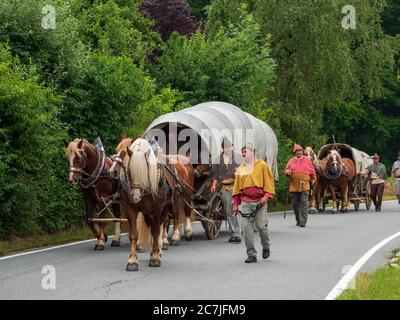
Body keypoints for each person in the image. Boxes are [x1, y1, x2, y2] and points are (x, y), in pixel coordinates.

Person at [232, 143, 275, 263]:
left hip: (260, 201)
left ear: (252, 152)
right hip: (246, 201)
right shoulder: (241, 168)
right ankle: (251, 254)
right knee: (246, 229)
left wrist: (266, 196)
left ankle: (266, 246)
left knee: (261, 227)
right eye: (243, 153)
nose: (244, 154)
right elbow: (237, 188)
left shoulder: (262, 165)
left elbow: (269, 182)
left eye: (245, 152)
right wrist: (236, 204)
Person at [211, 138, 242, 243]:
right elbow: (215, 175)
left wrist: (237, 172)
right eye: (226, 147)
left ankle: (238, 233)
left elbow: (242, 169)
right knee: (228, 211)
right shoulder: (218, 159)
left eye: (229, 147)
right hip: (225, 187)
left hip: (236, 186)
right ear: (223, 148)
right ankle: (233, 232)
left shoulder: (237, 157)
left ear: (232, 147)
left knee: (235, 209)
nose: (228, 149)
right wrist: (214, 185)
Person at [284, 144, 316, 227]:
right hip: (294, 185)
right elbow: (286, 170)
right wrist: (287, 172)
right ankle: (298, 219)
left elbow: (312, 170)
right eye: (297, 151)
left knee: (304, 203)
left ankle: (303, 221)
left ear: (302, 152)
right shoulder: (291, 160)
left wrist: (313, 179)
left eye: (300, 151)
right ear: (295, 152)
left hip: (305, 185)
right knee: (295, 204)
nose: (299, 152)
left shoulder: (307, 160)